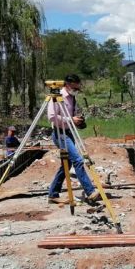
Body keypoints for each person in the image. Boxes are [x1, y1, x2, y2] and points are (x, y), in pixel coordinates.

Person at [47, 74, 101, 204]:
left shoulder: (72, 98)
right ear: (68, 84)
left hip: (69, 132)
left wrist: (78, 121)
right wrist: (71, 120)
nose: (76, 90)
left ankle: (53, 194)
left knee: (67, 164)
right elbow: (52, 117)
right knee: (77, 159)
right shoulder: (57, 97)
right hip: (60, 133)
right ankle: (90, 192)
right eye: (75, 87)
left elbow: (73, 115)